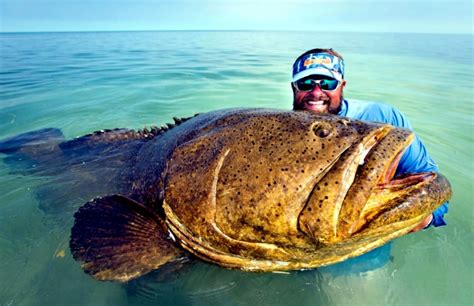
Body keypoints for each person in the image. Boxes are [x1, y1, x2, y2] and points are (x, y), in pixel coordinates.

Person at [291, 48, 448, 232]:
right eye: (305, 83)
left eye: (327, 83)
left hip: (370, 244)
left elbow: (432, 186)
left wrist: (423, 218)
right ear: (294, 88)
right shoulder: (280, 133)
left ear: (342, 85)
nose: (316, 92)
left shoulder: (383, 119)